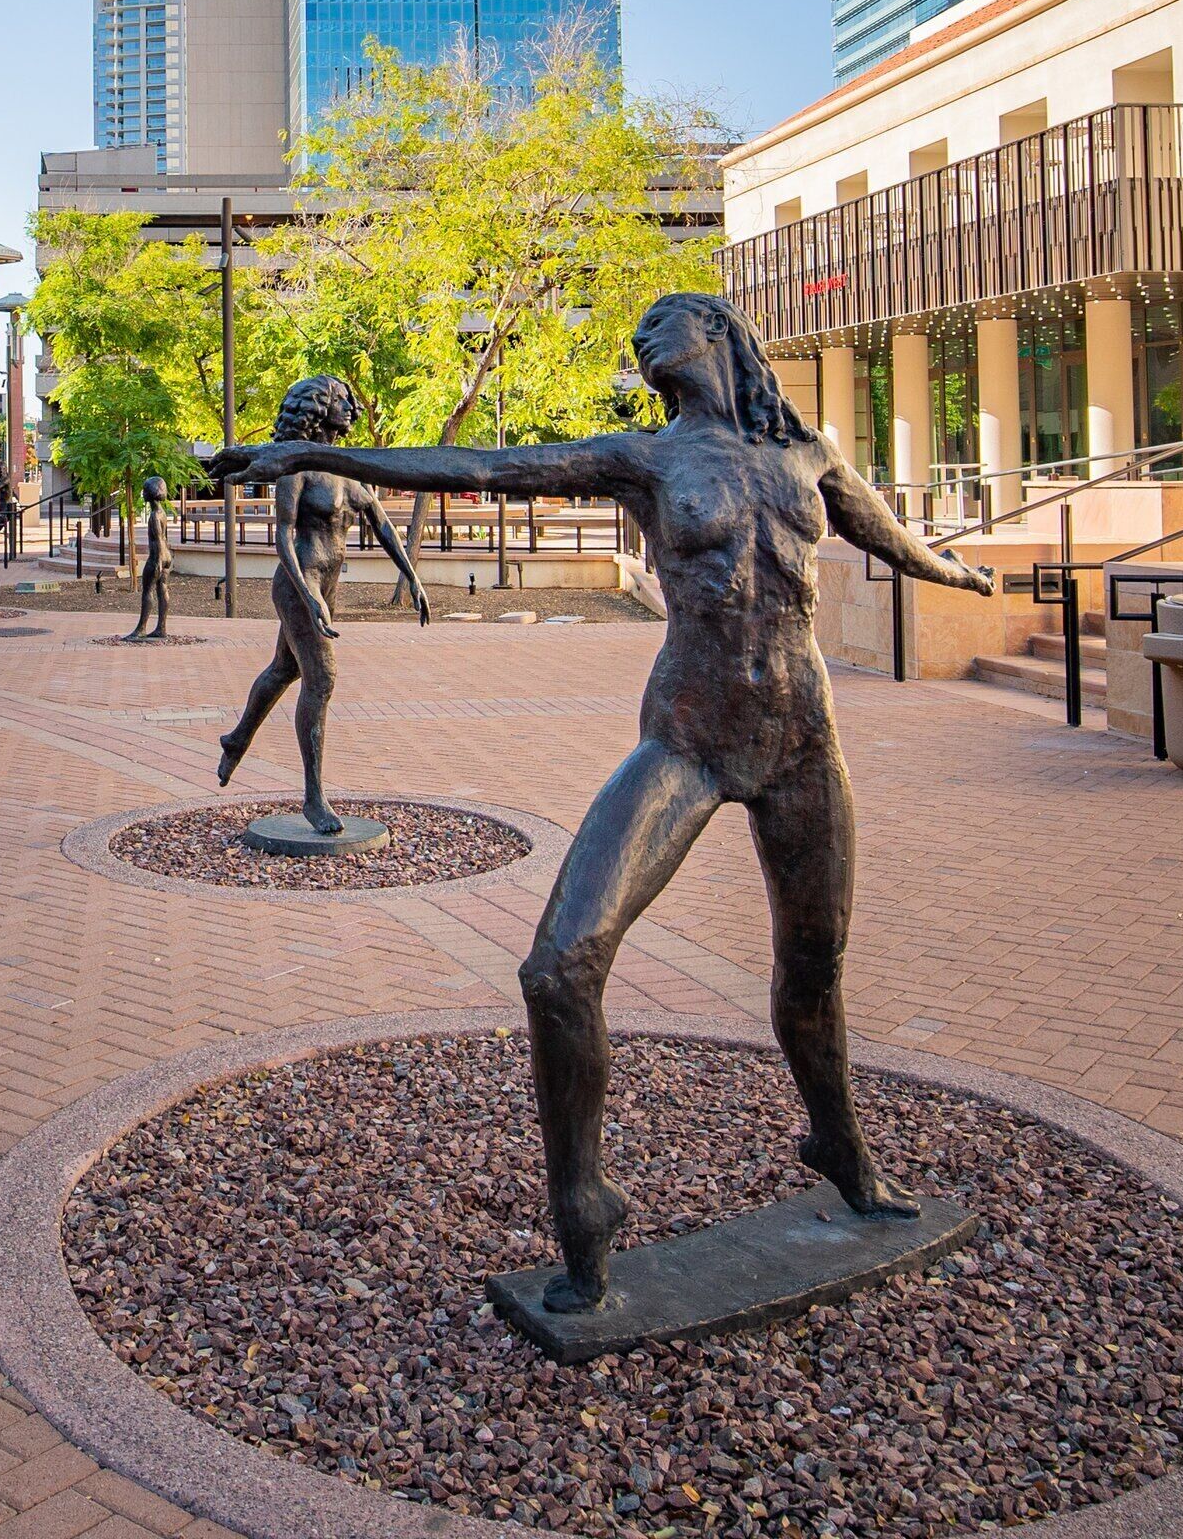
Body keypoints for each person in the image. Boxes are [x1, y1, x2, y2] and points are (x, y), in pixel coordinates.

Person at [217, 291, 1001, 1314]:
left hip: (805, 739)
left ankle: (842, 1148)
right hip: (690, 735)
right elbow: (484, 469)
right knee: (559, 965)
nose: (641, 340)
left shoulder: (804, 457)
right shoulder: (647, 459)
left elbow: (886, 535)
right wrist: (317, 459)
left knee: (815, 967)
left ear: (718, 334)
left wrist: (957, 571)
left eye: (660, 322)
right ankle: (584, 1208)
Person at [216, 376, 427, 832]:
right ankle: (313, 797)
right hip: (299, 583)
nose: (351, 408)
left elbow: (382, 523)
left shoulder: (348, 469)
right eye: (341, 401)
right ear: (317, 409)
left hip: (326, 586)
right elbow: (284, 535)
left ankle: (236, 739)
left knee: (285, 668)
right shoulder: (297, 469)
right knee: (322, 679)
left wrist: (411, 577)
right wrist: (308, 596)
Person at [124, 474, 174, 640]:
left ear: (151, 492)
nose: (142, 493)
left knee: (148, 590)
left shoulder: (154, 516)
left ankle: (141, 628)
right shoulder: (162, 512)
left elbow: (159, 538)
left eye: (144, 490)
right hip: (167, 555)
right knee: (163, 589)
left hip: (157, 556)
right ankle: (161, 627)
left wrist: (158, 560)